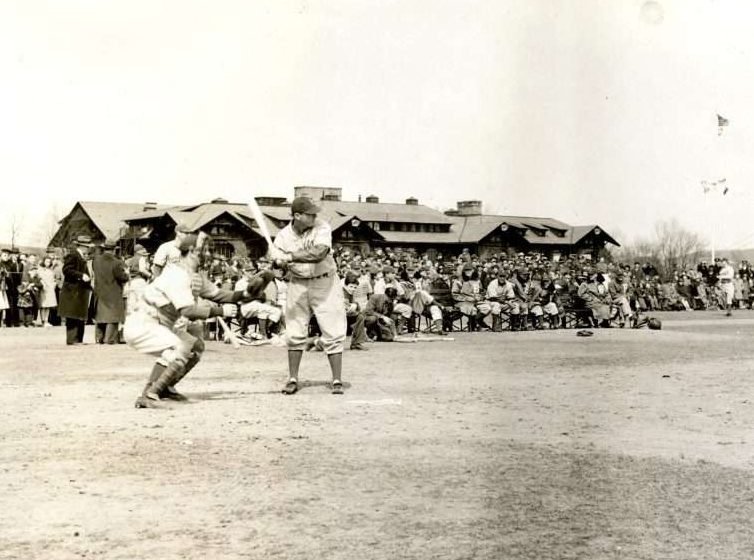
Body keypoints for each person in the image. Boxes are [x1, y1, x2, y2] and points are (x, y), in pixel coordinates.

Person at [124, 234, 239, 408]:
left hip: (160, 323)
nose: (209, 254)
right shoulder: (177, 274)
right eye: (204, 250)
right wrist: (220, 311)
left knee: (195, 346)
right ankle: (149, 394)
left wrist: (249, 294)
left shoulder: (194, 275)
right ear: (192, 251)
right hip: (144, 322)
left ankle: (165, 387)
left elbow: (220, 295)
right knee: (178, 348)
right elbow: (188, 311)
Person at [270, 197, 347, 395]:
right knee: (294, 330)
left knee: (333, 329)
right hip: (298, 282)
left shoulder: (321, 226)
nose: (314, 216)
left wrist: (289, 256)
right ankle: (293, 379)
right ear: (297, 216)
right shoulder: (283, 237)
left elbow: (319, 253)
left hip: (325, 281)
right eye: (310, 214)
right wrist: (278, 263)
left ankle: (336, 379)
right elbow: (278, 271)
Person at [59, 236, 94, 345]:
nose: (88, 249)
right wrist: (80, 275)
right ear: (82, 246)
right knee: (73, 315)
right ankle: (72, 339)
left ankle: (78, 339)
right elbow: (66, 270)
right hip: (73, 290)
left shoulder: (80, 256)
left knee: (78, 314)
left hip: (79, 290)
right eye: (87, 247)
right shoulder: (73, 255)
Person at [92, 242, 129, 344]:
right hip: (113, 291)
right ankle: (109, 339)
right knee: (113, 316)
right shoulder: (116, 262)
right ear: (114, 250)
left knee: (101, 315)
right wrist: (127, 274)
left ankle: (99, 337)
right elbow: (122, 277)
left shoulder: (96, 260)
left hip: (99, 291)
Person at [37, 255, 58, 327]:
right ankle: (43, 321)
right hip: (44, 289)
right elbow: (39, 278)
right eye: (46, 261)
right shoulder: (40, 270)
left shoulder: (51, 271)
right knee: (43, 305)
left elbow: (53, 279)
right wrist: (43, 284)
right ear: (44, 262)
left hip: (50, 289)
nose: (48, 263)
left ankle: (46, 320)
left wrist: (54, 283)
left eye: (49, 262)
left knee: (48, 306)